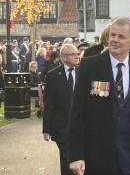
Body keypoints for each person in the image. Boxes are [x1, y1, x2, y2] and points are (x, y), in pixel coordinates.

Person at [68, 17, 130, 175]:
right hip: (98, 159)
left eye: (121, 36)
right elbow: (76, 113)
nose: (115, 40)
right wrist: (76, 155)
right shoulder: (89, 66)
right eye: (112, 35)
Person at [42, 43, 80, 175]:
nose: (77, 56)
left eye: (77, 53)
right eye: (73, 54)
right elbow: (49, 104)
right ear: (63, 58)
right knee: (67, 158)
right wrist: (46, 128)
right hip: (61, 126)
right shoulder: (52, 76)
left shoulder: (84, 73)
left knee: (79, 159)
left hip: (81, 126)